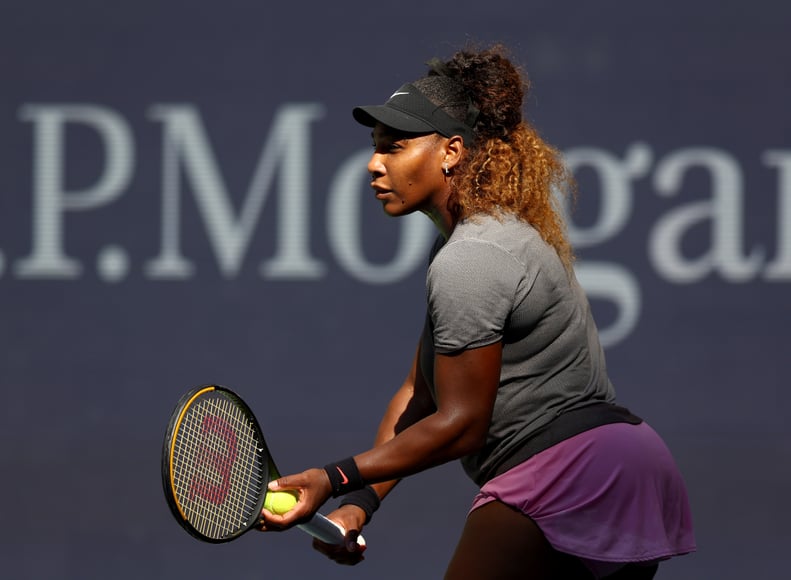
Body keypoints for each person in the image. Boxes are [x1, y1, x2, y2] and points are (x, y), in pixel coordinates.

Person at [260, 45, 696, 579]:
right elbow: (420, 396)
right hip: (623, 468)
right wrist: (361, 502)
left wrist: (331, 478)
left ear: (451, 151)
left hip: (570, 471)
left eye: (394, 147)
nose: (374, 163)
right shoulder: (469, 243)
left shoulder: (472, 258)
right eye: (375, 147)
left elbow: (462, 425)